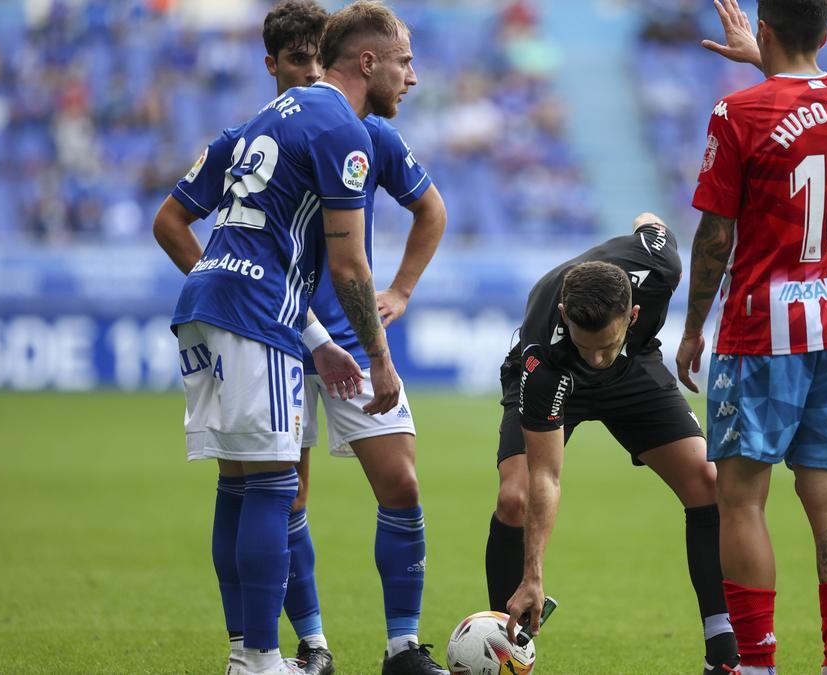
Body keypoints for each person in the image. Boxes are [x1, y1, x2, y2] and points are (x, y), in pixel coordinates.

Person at [154, 2, 449, 672]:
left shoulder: (275, 117)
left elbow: (420, 213)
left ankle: (254, 653)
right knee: (270, 488)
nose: (412, 77)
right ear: (367, 62)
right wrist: (380, 358)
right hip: (265, 317)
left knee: (245, 485)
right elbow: (346, 263)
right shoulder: (339, 128)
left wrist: (354, 314)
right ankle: (269, 654)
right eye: (404, 62)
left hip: (246, 311)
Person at [677, 1, 827, 674]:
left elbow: (714, 236)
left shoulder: (738, 116)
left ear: (762, 29)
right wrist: (768, 55)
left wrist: (692, 328)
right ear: (825, 33)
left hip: (762, 331)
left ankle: (758, 664)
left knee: (741, 499)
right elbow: (808, 97)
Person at [489, 213, 741, 673]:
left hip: (635, 370)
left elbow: (651, 222)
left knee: (706, 478)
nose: (597, 358)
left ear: (634, 314)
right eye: (589, 347)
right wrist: (534, 574)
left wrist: (688, 335)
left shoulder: (659, 264)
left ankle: (722, 651)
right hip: (559, 375)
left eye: (605, 345)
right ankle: (506, 650)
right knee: (516, 495)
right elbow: (548, 475)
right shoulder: (542, 354)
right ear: (566, 316)